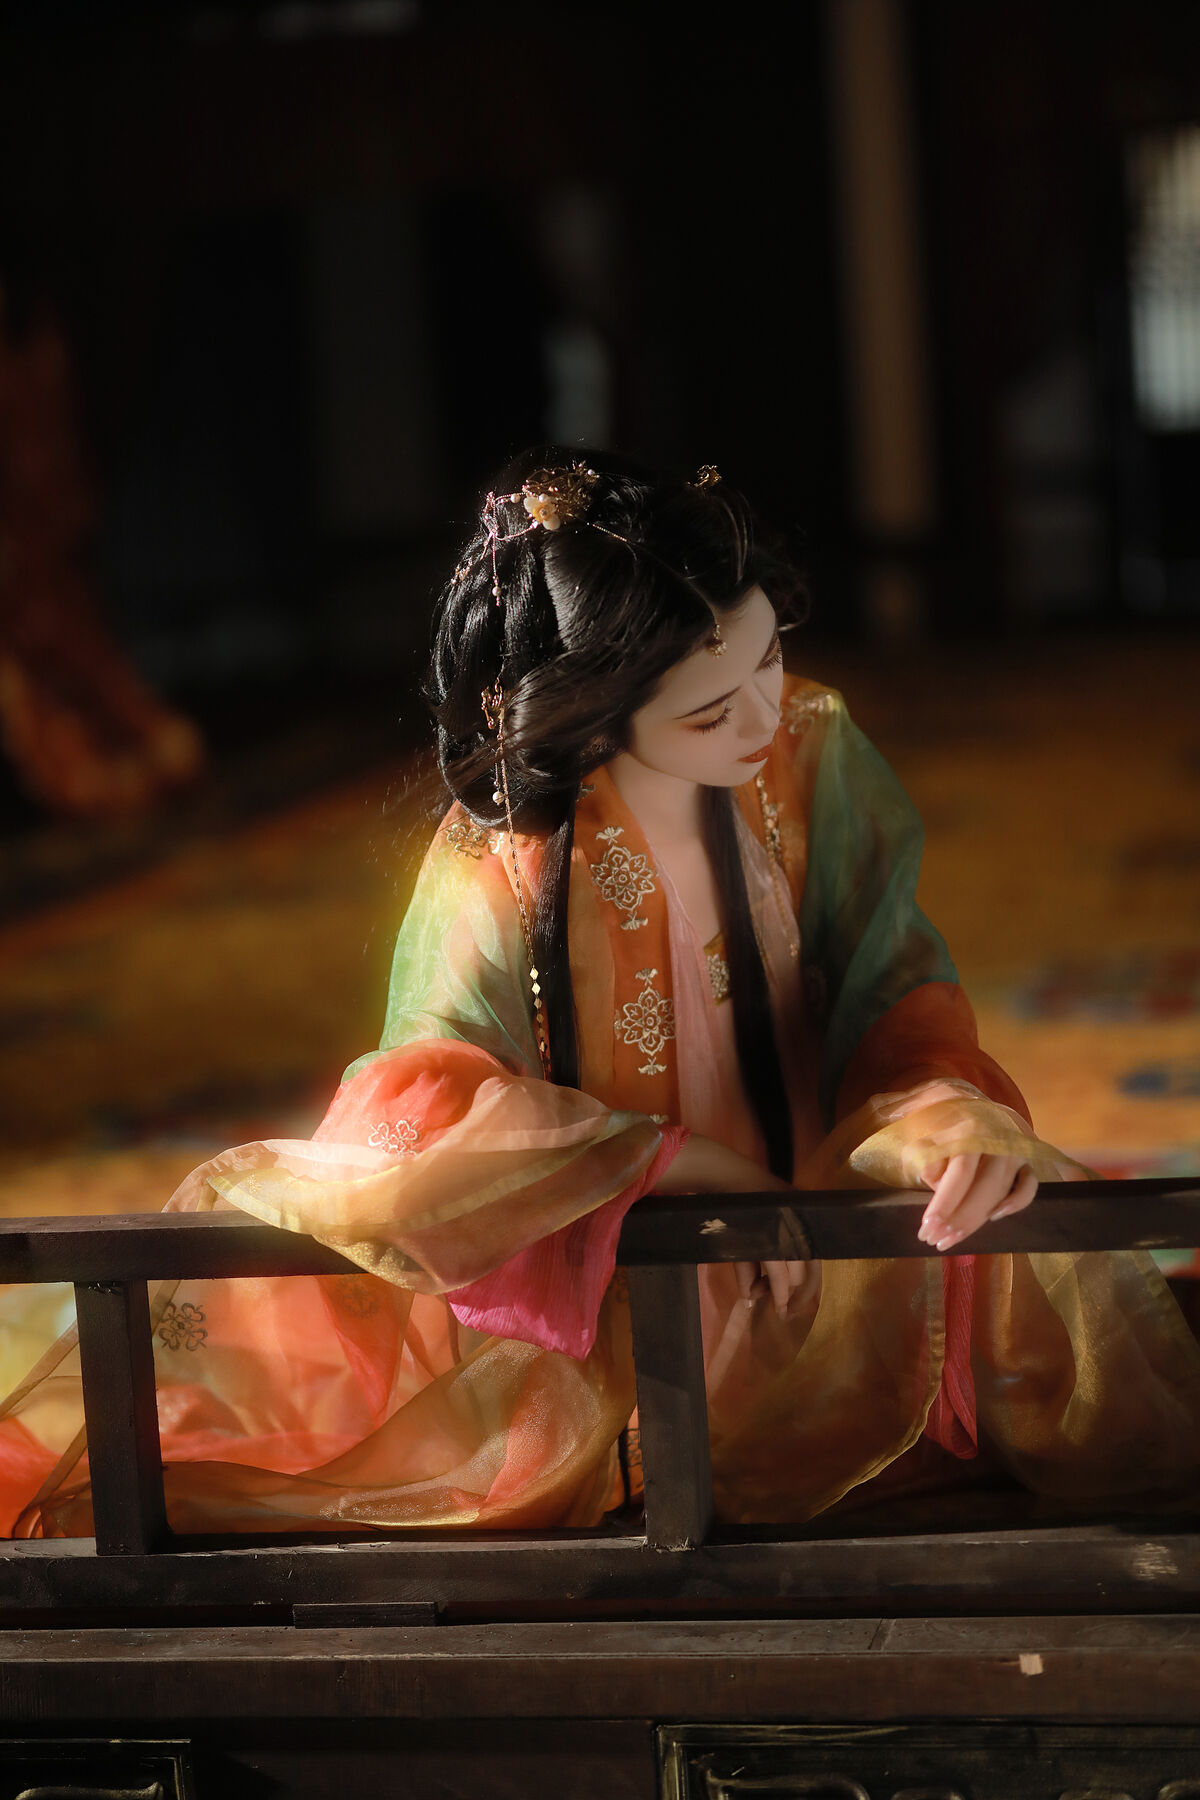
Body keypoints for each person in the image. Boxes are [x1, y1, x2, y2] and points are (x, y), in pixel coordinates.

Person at [3, 448, 1199, 1538]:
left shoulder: (811, 755)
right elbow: (418, 1113)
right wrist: (666, 1162)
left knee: (1016, 1231)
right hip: (623, 1268)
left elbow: (894, 981)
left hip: (825, 1197)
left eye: (772, 658)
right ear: (594, 713)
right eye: (709, 708)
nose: (763, 717)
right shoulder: (509, 863)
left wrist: (935, 1113)